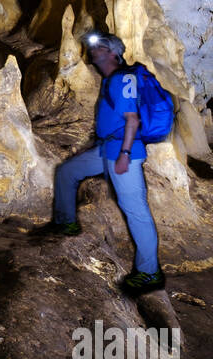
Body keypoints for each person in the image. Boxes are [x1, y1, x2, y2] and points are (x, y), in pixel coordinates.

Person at [42, 32, 165, 294]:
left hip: (123, 153)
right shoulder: (112, 80)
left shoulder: (121, 79)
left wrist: (124, 155)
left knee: (136, 211)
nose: (94, 52)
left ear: (113, 53)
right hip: (106, 148)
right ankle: (65, 222)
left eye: (100, 48)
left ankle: (149, 273)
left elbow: (132, 120)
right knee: (68, 171)